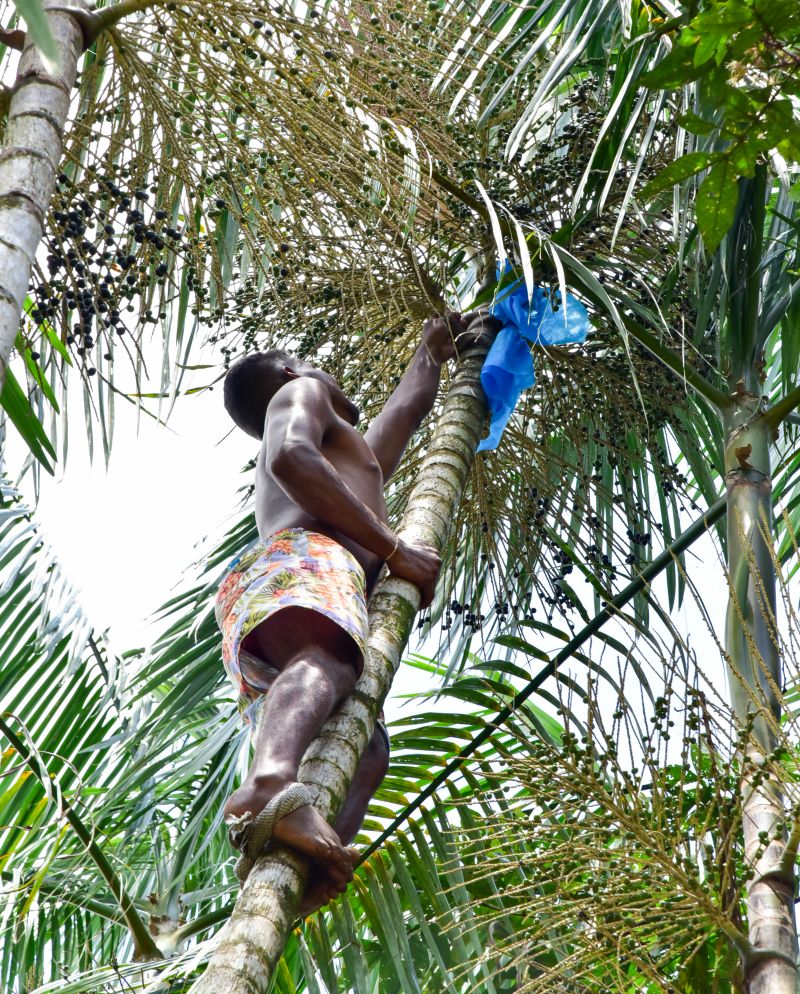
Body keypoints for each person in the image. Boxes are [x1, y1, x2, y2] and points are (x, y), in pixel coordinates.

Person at [215, 312, 472, 914]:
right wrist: (392, 549)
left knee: (369, 747)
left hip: (303, 588)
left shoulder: (353, 460)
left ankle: (307, 864)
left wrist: (431, 348)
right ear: (287, 371)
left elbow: (404, 411)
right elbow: (291, 459)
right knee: (326, 660)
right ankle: (271, 784)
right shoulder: (296, 393)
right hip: (303, 566)